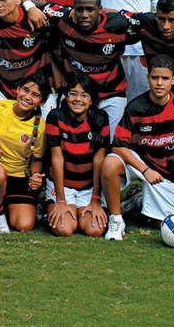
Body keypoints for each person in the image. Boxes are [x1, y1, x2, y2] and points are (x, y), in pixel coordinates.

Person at [102, 55, 174, 240]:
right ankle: (116, 219)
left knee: (163, 224)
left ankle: (137, 200)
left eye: (165, 78)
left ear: (173, 80)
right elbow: (118, 146)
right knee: (110, 163)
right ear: (147, 78)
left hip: (165, 170)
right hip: (139, 161)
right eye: (155, 77)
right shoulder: (136, 107)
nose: (159, 83)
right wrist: (145, 169)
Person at [44, 0, 135, 129]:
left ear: (100, 9)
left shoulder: (119, 27)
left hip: (111, 95)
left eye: (90, 10)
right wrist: (29, 6)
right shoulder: (63, 21)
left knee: (112, 144)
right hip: (76, 96)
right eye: (79, 9)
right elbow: (42, 6)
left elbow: (149, 22)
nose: (84, 15)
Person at [0, 76, 48, 234]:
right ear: (17, 90)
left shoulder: (39, 126)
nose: (27, 97)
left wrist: (36, 176)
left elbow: (36, 158)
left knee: (24, 225)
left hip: (19, 177)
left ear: (42, 102)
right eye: (25, 90)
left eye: (35, 95)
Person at [45, 76, 110, 237]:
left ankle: (99, 206)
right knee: (64, 229)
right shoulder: (55, 116)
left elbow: (98, 160)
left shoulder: (101, 118)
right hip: (62, 186)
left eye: (84, 95)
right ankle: (50, 205)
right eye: (73, 94)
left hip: (88, 187)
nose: (78, 99)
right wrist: (61, 200)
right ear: (66, 97)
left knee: (94, 230)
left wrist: (95, 199)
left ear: (91, 100)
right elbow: (57, 159)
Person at [0, 0, 52, 113]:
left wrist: (31, 6)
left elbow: (73, 12)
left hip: (35, 92)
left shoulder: (36, 19)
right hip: (2, 90)